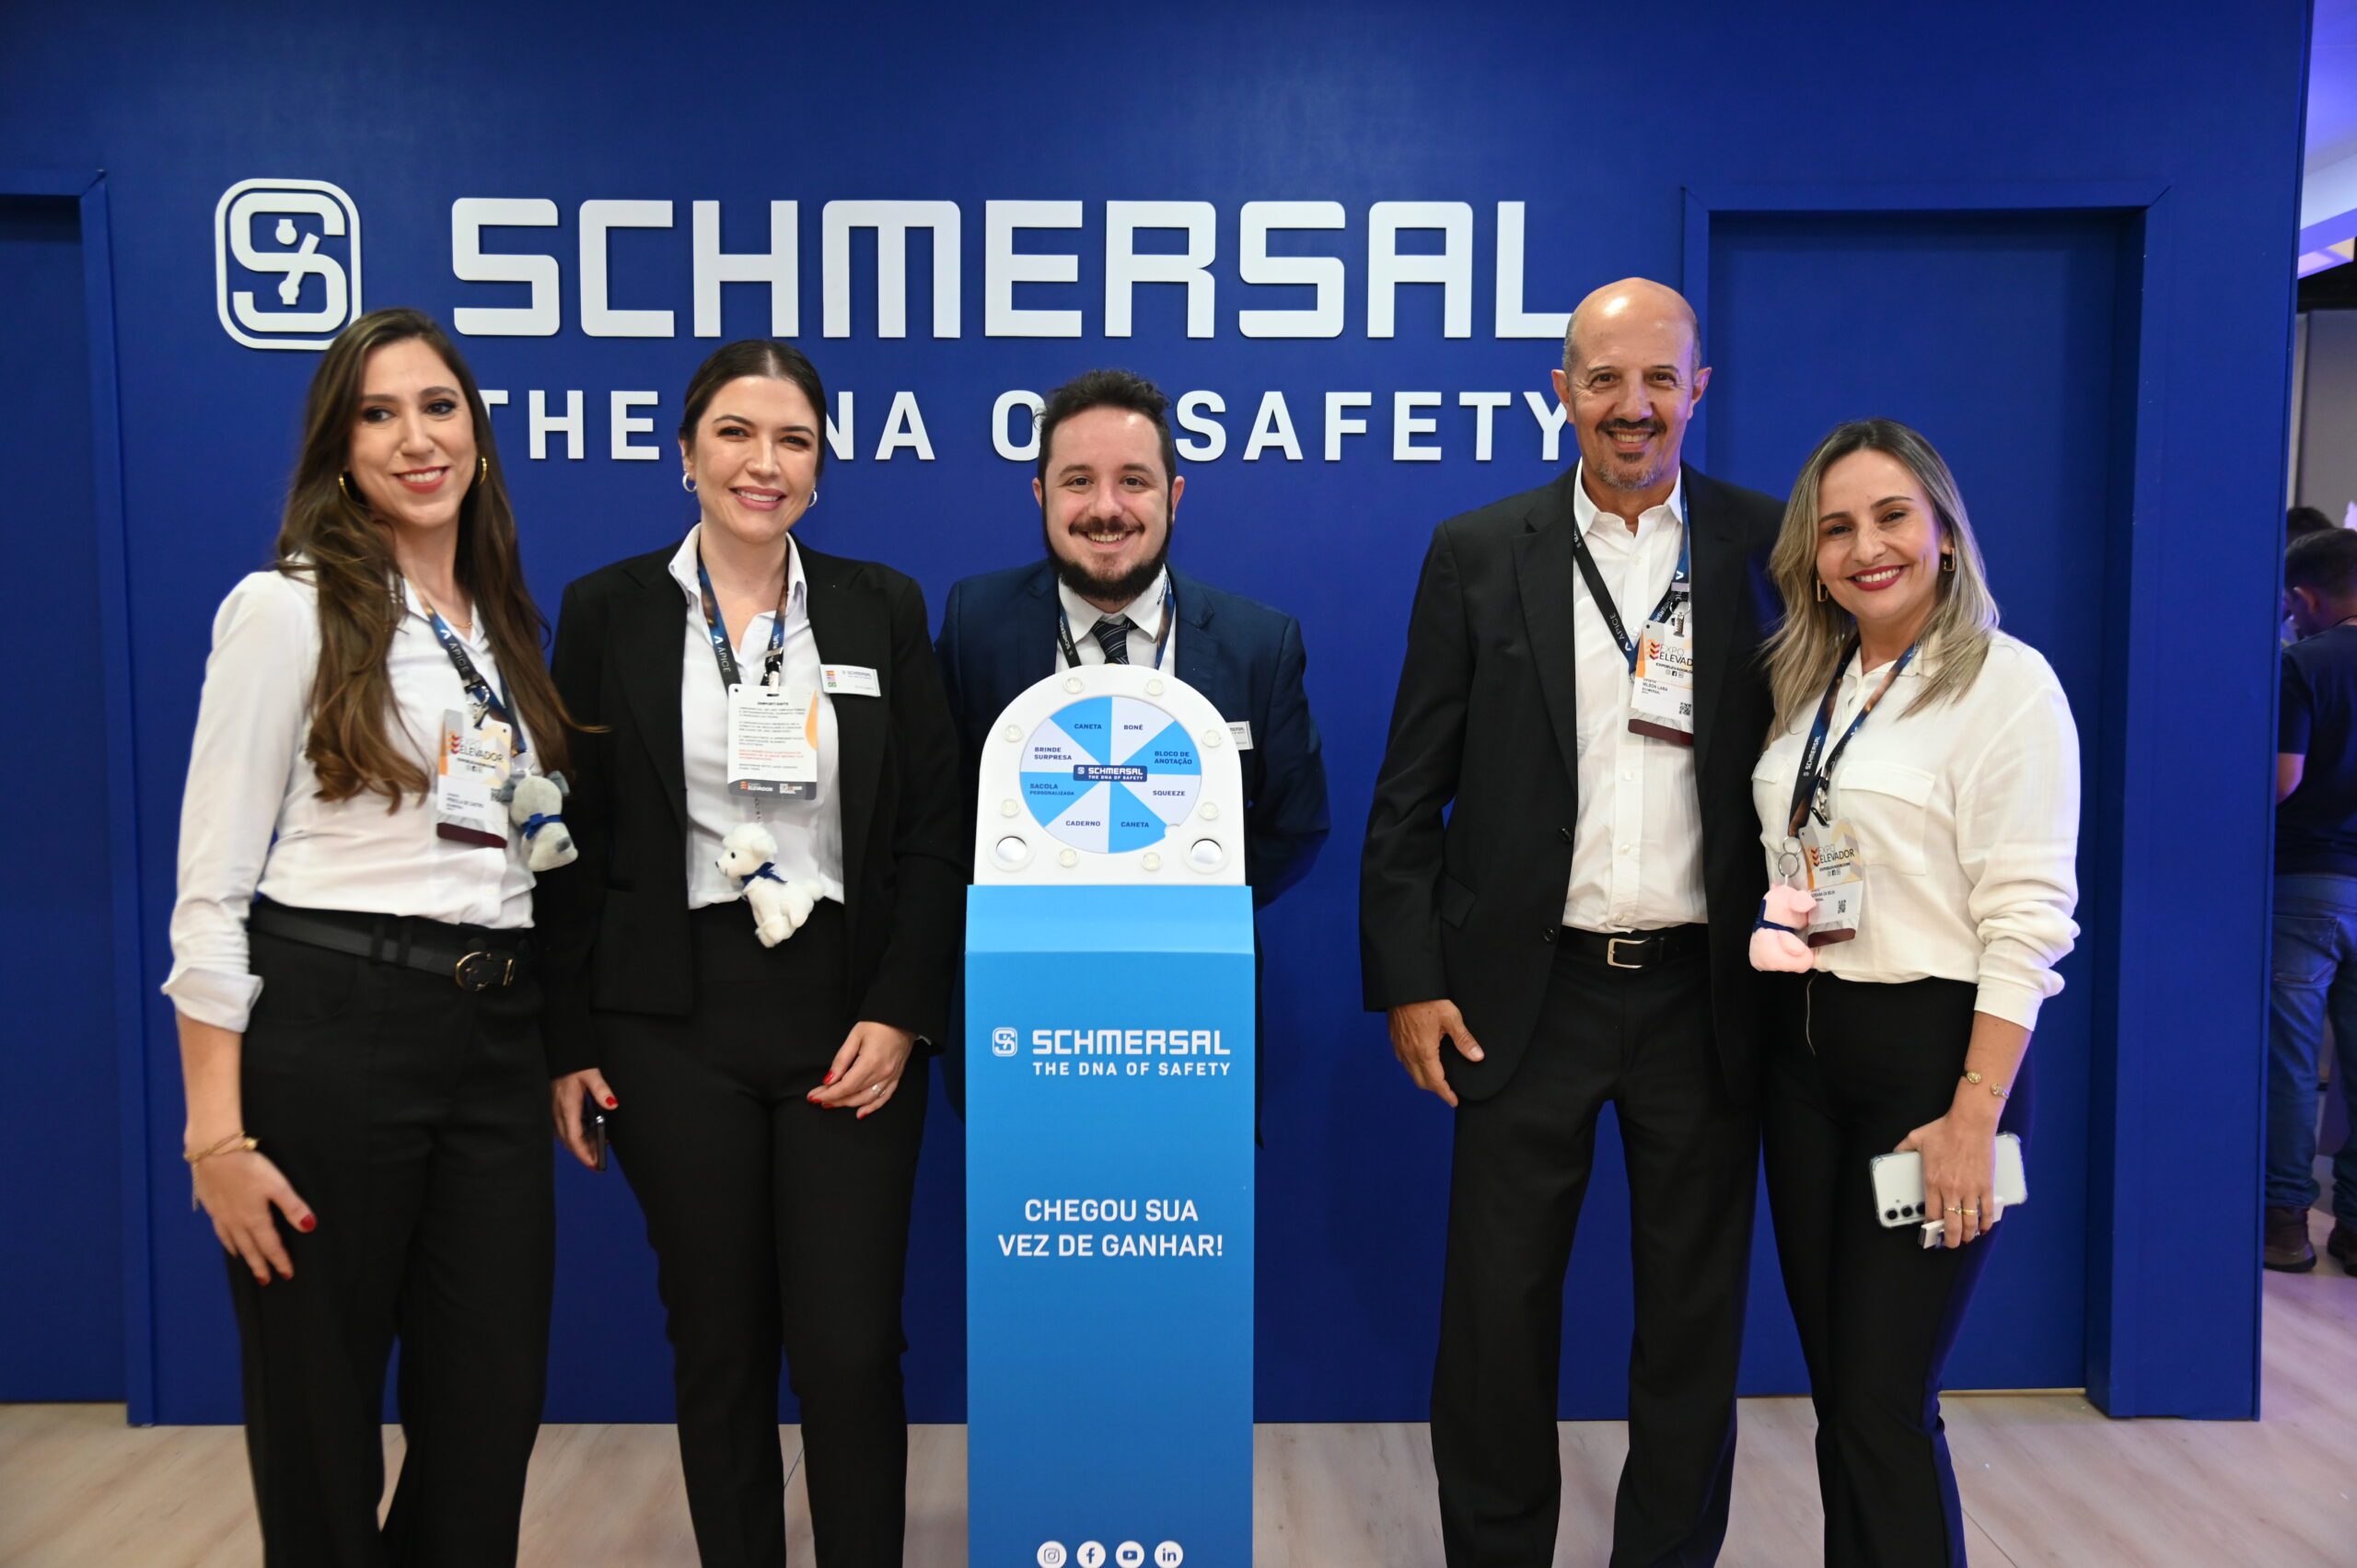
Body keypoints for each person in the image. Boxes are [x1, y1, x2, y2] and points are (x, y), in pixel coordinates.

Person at [1359, 278, 1783, 1566]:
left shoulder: (1771, 546)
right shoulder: (1479, 549)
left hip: (1705, 996)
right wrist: (1409, 978)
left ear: (1697, 388)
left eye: (1658, 378)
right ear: (1561, 392)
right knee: (1496, 1320)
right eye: (1604, 379)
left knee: (1693, 1323)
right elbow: (1409, 789)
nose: (1631, 405)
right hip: (1521, 995)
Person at [535, 339, 963, 1568]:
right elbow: (567, 829)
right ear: (686, 452)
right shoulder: (608, 607)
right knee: (718, 1340)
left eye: (792, 439)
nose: (762, 462)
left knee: (848, 1343)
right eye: (734, 432)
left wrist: (904, 1009)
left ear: (821, 466)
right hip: (670, 1019)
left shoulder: (880, 604)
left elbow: (933, 828)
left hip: (849, 1012)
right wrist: (565, 1038)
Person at [163, 307, 575, 1565]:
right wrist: (216, 1136)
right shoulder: (284, 610)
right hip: (336, 1024)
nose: (415, 438)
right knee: (319, 1414)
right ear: (339, 450)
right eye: (378, 414)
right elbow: (210, 892)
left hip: (492, 1037)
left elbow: (519, 842)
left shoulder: (495, 624)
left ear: (478, 434)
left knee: (488, 1406)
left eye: (439, 407)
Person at [1749, 418, 2079, 1564]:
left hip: (1933, 1072)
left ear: (1943, 530)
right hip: (1805, 1060)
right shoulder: (1813, 682)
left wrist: (1971, 1115)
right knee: (1842, 1393)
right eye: (1836, 527)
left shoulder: (2005, 684)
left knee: (1884, 1399)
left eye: (1891, 516)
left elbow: (2027, 921)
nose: (1866, 547)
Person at [933, 368, 1329, 1102]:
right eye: (1078, 481)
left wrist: (1184, 902)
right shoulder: (974, 624)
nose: (1106, 508)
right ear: (1041, 495)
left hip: (1191, 1014)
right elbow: (942, 813)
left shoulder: (1257, 643)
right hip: (1020, 1008)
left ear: (1173, 497)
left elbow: (1295, 824)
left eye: (1134, 481)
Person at [2267, 526, 2357, 1274]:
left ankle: (2285, 1223)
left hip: (2306, 884)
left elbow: (2282, 780)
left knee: (2292, 1061)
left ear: (2305, 597)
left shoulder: (2304, 663)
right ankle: (2355, 1229)